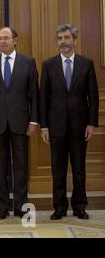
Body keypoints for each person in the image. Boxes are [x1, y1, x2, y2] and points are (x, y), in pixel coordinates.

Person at [40, 24, 99, 220]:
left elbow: (93, 96)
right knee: (58, 170)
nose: (63, 41)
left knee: (79, 169)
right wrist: (44, 126)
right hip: (55, 127)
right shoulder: (48, 65)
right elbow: (43, 98)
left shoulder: (87, 63)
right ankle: (59, 207)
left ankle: (80, 206)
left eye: (66, 37)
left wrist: (91, 124)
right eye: (60, 38)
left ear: (74, 40)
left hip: (80, 127)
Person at [0, 27, 39, 219]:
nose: (2, 42)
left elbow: (34, 96)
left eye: (6, 38)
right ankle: (2, 208)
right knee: (0, 167)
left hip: (21, 123)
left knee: (21, 166)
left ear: (15, 40)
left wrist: (34, 121)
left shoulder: (28, 62)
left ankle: (21, 207)